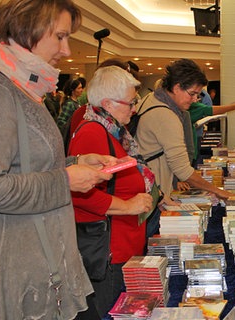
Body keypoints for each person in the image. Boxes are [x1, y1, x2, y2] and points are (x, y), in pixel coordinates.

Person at [0, 1, 116, 319]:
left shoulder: (24, 87)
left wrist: (75, 163)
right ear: (27, 28)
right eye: (60, 36)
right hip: (18, 270)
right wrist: (66, 180)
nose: (67, 50)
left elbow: (28, 165)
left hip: (44, 261)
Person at [69, 66, 154, 318]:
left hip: (123, 242)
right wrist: (128, 206)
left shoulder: (113, 129)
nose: (134, 108)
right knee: (111, 311)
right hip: (109, 249)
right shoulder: (93, 132)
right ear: (107, 103)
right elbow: (81, 192)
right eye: (130, 103)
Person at [135, 59, 233, 237]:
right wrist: (218, 191)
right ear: (177, 87)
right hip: (152, 194)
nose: (195, 99)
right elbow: (182, 170)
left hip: (151, 189)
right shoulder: (165, 115)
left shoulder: (151, 99)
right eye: (192, 93)